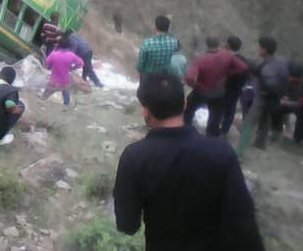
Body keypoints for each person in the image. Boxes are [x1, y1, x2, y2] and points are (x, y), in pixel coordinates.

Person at [114, 73, 265, 251]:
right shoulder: (222, 152)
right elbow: (244, 222)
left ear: (145, 112)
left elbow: (127, 225)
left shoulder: (134, 158)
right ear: (185, 104)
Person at [183, 36, 248, 137]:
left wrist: (196, 85)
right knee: (215, 117)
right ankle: (211, 136)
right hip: (218, 93)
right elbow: (243, 67)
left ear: (207, 45)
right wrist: (228, 73)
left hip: (202, 91)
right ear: (219, 45)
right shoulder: (227, 55)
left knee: (189, 109)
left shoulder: (201, 59)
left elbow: (189, 78)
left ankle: (185, 129)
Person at [236, 36, 290, 156]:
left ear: (265, 50)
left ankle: (239, 153)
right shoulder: (280, 63)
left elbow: (268, 83)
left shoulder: (267, 66)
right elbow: (286, 81)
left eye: (260, 47)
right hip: (274, 99)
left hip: (261, 98)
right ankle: (260, 143)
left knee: (249, 124)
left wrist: (265, 91)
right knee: (266, 120)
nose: (258, 49)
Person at [220, 35, 251, 135]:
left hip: (224, 88)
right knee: (231, 110)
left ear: (228, 45)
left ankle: (216, 128)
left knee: (219, 109)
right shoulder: (244, 60)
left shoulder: (226, 58)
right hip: (237, 89)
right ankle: (224, 130)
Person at [42, 33, 84, 106]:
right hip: (64, 81)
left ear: (59, 45)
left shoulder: (54, 54)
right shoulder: (71, 55)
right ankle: (66, 107)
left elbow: (46, 63)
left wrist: (52, 65)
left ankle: (42, 101)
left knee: (44, 96)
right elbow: (81, 63)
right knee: (66, 99)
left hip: (53, 80)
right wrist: (72, 68)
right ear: (68, 46)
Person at [136, 16, 177, 84]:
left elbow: (140, 66)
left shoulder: (147, 43)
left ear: (155, 27)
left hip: (148, 79)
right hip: (164, 79)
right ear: (168, 28)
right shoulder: (174, 42)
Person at [271, 63, 303, 143]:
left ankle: (297, 139)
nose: (289, 78)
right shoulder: (287, 81)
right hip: (295, 103)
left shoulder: (300, 84)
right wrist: (284, 97)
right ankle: (277, 129)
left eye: (292, 77)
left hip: (299, 105)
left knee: (300, 114)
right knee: (277, 107)